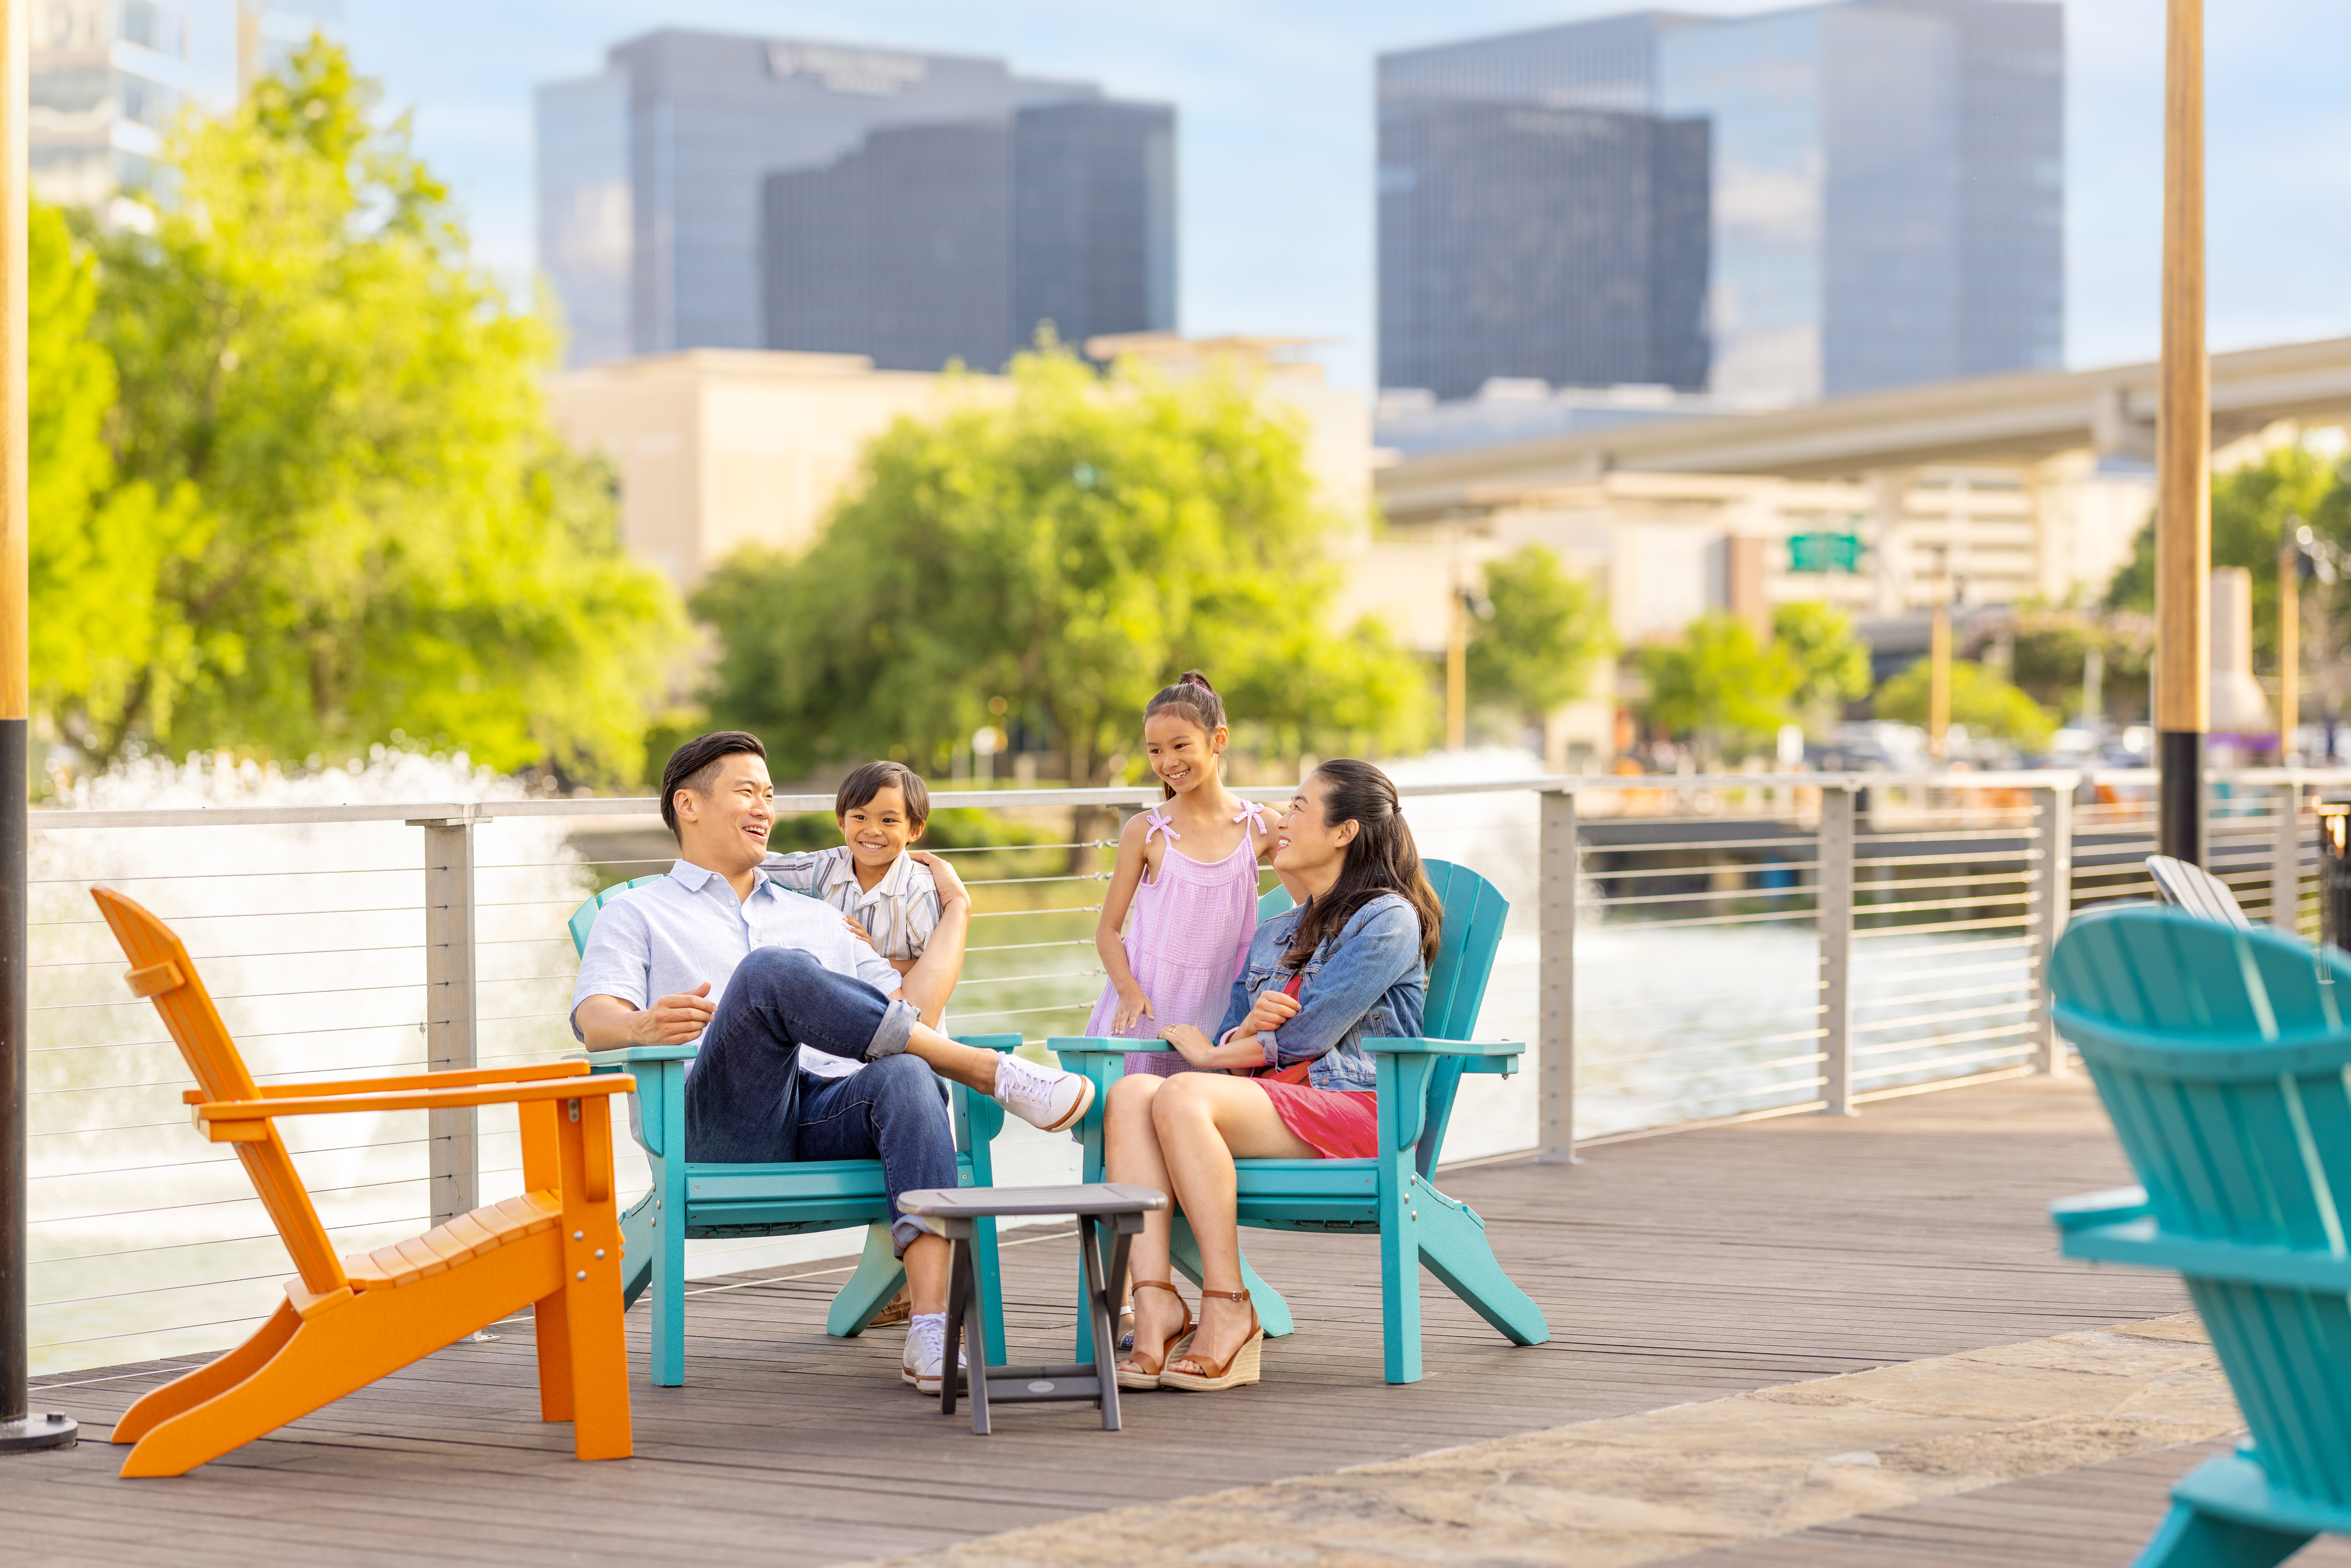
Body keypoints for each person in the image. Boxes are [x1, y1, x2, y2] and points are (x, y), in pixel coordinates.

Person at [571, 733, 1096, 1393]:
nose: (765, 807)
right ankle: (984, 1070)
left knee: (907, 1070)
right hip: (717, 1127)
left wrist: (957, 908)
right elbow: (597, 1022)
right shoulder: (637, 910)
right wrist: (643, 1024)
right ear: (689, 804)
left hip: (823, 1115)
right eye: (746, 791)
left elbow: (911, 1013)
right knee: (769, 974)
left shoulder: (816, 914)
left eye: (770, 794)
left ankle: (933, 1328)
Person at [1102, 759, 1441, 1393]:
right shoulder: (1274, 932)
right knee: (1130, 1094)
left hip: (1362, 1108)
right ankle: (1156, 1304)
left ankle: (1229, 1305)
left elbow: (1306, 1037)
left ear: (1344, 832)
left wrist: (1220, 1052)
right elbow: (1239, 1033)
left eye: (1301, 806)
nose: (1282, 820)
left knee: (1181, 1091)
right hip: (1278, 1100)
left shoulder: (1386, 918)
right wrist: (1241, 1034)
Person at [763, 759, 951, 1328]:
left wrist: (867, 954)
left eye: (890, 819)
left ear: (915, 830)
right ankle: (899, 1277)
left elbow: (926, 983)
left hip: (909, 1036)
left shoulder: (919, 891)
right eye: (859, 816)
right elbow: (756, 867)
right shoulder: (823, 872)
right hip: (837, 1047)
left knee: (905, 1107)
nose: (872, 829)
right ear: (841, 820)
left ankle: (914, 1283)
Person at [1084, 672, 1273, 1078]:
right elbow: (1108, 931)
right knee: (1129, 1124)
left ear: (1218, 740)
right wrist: (1129, 991)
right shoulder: (1145, 831)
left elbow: (1315, 893)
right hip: (1146, 1012)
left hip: (1220, 1016)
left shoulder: (1261, 826)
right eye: (1155, 750)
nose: (1167, 762)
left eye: (1180, 745)